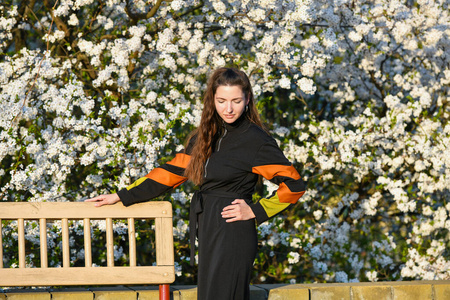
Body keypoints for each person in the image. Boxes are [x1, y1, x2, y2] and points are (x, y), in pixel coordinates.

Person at [86, 67, 306, 300]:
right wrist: (122, 195)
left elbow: (294, 185)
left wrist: (255, 210)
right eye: (221, 100)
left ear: (248, 99)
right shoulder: (205, 135)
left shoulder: (257, 140)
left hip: (233, 230)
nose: (228, 109)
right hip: (208, 226)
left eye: (236, 101)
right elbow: (169, 174)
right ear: (212, 99)